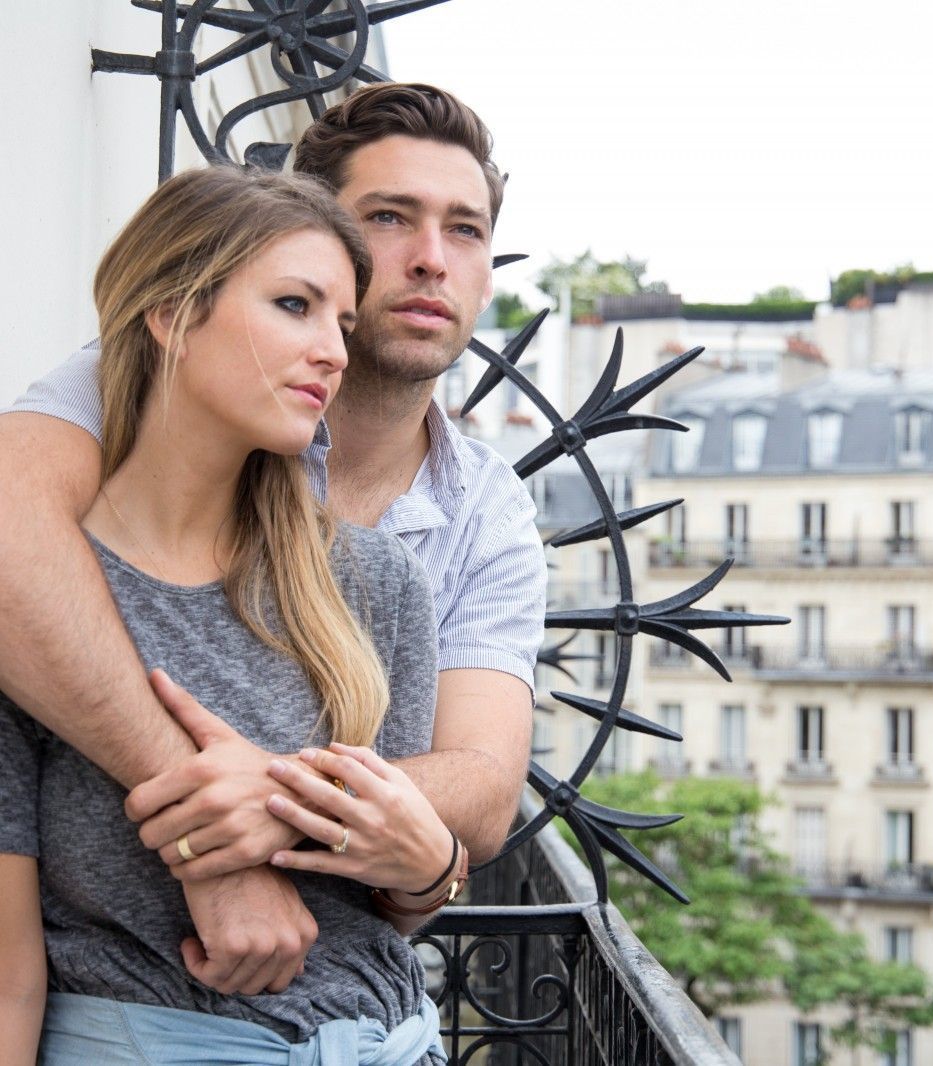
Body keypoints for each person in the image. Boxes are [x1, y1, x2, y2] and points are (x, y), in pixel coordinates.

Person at [0, 84, 545, 987]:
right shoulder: (143, 379)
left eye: (465, 230)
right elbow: (11, 544)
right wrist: (213, 836)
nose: (429, 261)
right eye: (390, 216)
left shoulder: (476, 514)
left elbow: (480, 788)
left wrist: (274, 797)